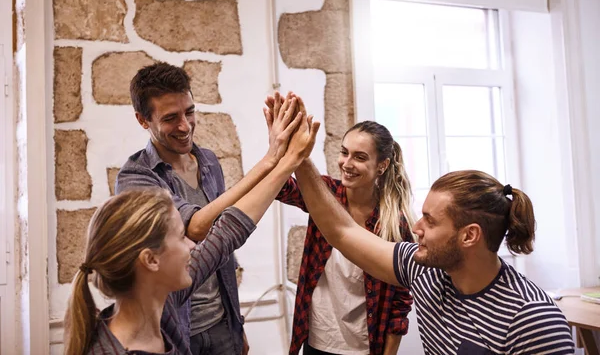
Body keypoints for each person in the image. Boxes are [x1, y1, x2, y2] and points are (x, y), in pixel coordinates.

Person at [64, 96, 320, 355]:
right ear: (150, 259)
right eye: (180, 237)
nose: (192, 245)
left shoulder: (162, 301)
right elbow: (203, 229)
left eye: (189, 113)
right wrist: (278, 159)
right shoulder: (136, 174)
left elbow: (228, 232)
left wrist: (286, 159)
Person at [291, 155, 575, 354]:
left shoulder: (533, 319)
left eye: (430, 220)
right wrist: (300, 159)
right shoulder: (424, 270)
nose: (416, 228)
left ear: (469, 235)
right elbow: (342, 232)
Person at [115, 62, 302, 355]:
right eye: (170, 118)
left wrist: (236, 323)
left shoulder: (209, 161)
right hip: (175, 330)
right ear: (143, 120)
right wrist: (271, 159)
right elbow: (197, 228)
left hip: (221, 323)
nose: (185, 125)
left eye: (189, 112)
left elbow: (221, 248)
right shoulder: (135, 178)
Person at [268, 103, 415, 354]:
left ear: (382, 165)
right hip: (316, 340)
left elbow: (400, 305)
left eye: (359, 157)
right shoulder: (325, 195)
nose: (346, 163)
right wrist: (280, 144)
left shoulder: (394, 223)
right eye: (344, 152)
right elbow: (280, 187)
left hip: (365, 346)